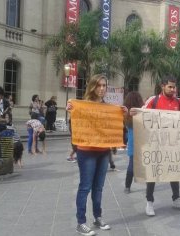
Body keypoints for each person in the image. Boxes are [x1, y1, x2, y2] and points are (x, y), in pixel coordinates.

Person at [67, 74, 126, 235]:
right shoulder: (82, 105)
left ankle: (97, 217)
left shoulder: (109, 108)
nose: (101, 89)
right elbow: (74, 127)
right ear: (92, 86)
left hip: (103, 152)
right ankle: (80, 222)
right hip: (86, 153)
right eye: (98, 85)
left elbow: (115, 127)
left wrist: (123, 114)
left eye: (104, 86)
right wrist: (72, 113)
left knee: (98, 187)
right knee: (85, 187)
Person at [140, 75, 180, 216]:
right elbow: (141, 114)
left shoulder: (179, 102)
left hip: (173, 144)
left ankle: (176, 200)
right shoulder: (153, 100)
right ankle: (149, 203)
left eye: (174, 87)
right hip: (156, 144)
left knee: (174, 171)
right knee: (153, 173)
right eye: (170, 86)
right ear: (162, 86)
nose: (172, 89)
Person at [123, 91, 144, 194]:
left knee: (131, 165)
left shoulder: (126, 116)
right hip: (143, 142)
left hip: (132, 143)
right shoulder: (142, 113)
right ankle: (148, 184)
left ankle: (127, 186)